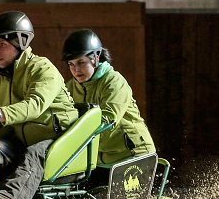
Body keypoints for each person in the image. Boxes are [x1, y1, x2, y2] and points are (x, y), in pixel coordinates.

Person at [0, 11, 78, 199]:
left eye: (1, 45)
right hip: (22, 141)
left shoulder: (43, 69)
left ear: (20, 43)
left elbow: (35, 105)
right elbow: (4, 126)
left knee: (34, 154)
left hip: (58, 139)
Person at [61, 29, 155, 165]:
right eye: (71, 64)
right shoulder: (70, 88)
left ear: (96, 59)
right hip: (99, 161)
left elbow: (108, 119)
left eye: (81, 62)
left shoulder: (114, 81)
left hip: (133, 155)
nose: (75, 70)